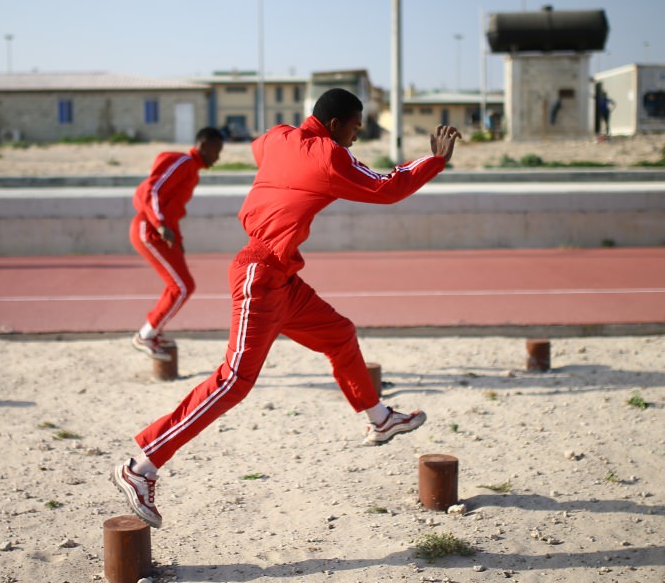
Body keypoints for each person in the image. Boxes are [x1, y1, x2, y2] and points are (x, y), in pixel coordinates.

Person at [112, 88, 462, 528]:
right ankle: (141, 467)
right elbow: (387, 187)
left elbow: (264, 151)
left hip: (281, 277)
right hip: (260, 274)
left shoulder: (277, 136)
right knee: (233, 381)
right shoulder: (331, 155)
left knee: (339, 333)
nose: (356, 136)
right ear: (336, 125)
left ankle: (379, 419)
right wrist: (434, 160)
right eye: (355, 127)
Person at [129, 127, 224, 361]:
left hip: (161, 232)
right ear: (204, 145)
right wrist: (160, 224)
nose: (218, 157)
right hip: (149, 229)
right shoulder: (183, 162)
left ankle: (152, 332)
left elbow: (173, 209)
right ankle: (145, 335)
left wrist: (177, 240)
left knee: (181, 285)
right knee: (181, 286)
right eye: (217, 150)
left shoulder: (192, 171)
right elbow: (153, 190)